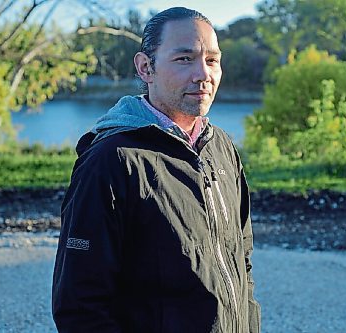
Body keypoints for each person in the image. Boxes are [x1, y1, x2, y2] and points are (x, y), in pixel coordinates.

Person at [52, 7, 261, 333]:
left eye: (212, 60)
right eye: (184, 59)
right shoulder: (111, 161)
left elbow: (241, 262)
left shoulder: (221, 147)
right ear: (146, 67)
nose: (203, 74)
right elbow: (80, 307)